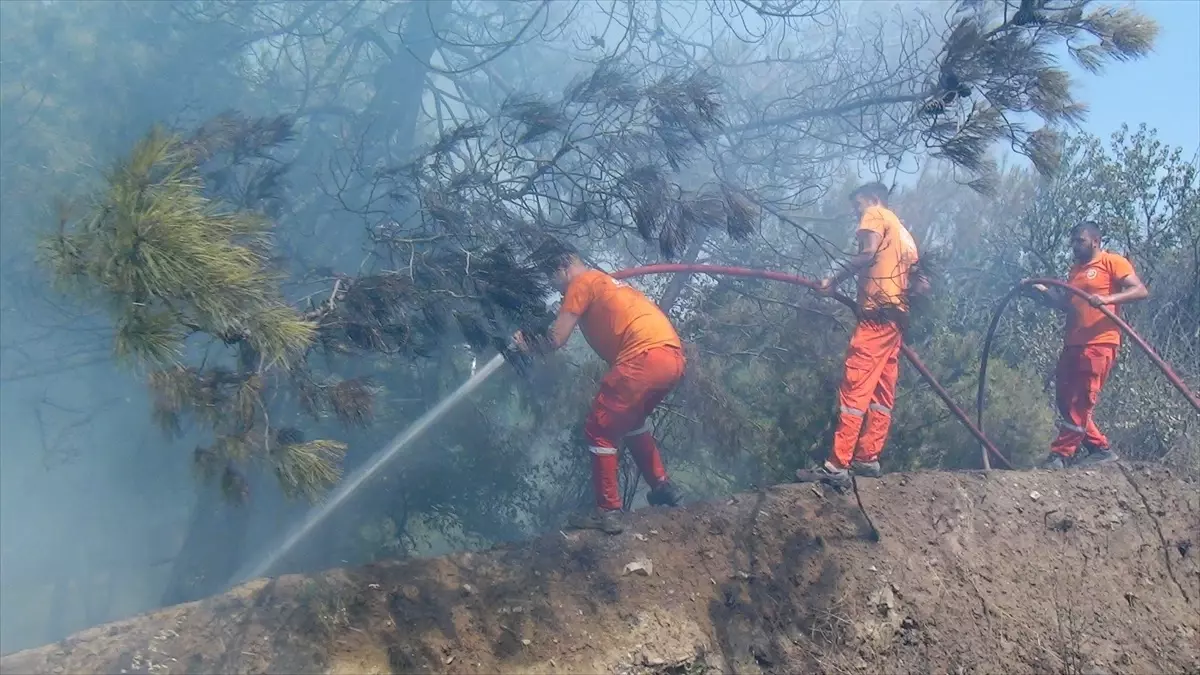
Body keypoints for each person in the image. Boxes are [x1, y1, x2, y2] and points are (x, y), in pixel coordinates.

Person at [513, 239, 683, 534]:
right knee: (630, 423)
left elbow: (555, 340)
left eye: (550, 276)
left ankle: (608, 510)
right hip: (672, 357)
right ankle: (663, 487)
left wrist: (525, 345)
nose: (554, 287)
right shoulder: (607, 283)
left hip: (642, 356)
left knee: (599, 429)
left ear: (564, 266)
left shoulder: (580, 283)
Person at [796, 182, 920, 489]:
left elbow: (866, 255)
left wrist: (832, 277)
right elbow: (921, 285)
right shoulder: (907, 237)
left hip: (876, 319)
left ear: (875, 199)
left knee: (855, 388)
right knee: (881, 392)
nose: (857, 213)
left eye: (858, 205)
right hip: (895, 320)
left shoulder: (876, 214)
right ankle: (867, 458)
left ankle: (836, 465)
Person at [1029, 221, 1148, 469]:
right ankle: (1099, 448)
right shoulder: (1075, 271)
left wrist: (1107, 299)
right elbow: (1066, 304)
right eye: (1072, 241)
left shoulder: (1112, 262)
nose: (1074, 246)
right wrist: (1042, 293)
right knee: (1064, 398)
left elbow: (1139, 291)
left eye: (1079, 241)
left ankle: (1061, 454)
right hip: (1073, 343)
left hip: (1100, 342)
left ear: (1095, 241)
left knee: (1081, 400)